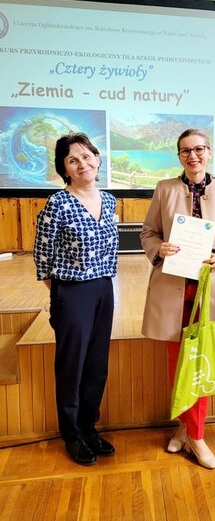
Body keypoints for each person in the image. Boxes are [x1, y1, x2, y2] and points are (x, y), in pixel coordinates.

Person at [141, 128, 215, 469]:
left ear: (209, 152)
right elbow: (148, 233)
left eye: (199, 149)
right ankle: (186, 428)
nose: (193, 156)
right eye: (185, 151)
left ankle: (195, 435)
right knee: (178, 364)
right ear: (179, 156)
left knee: (201, 362)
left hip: (208, 290)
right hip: (173, 289)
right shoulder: (165, 189)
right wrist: (159, 248)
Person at [33, 132, 119, 466]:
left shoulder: (109, 201)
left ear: (97, 159)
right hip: (72, 292)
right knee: (72, 365)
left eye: (86, 156)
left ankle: (89, 427)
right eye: (73, 160)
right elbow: (43, 257)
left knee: (97, 365)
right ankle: (71, 434)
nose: (82, 163)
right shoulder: (58, 203)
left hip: (104, 289)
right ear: (64, 169)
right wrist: (63, 294)